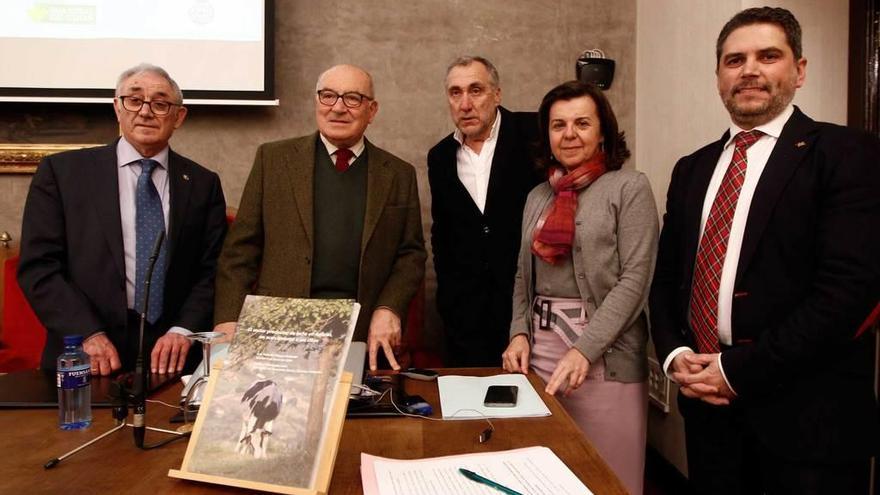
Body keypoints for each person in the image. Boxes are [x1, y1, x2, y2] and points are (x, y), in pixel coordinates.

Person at [650, 7, 880, 494]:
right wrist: (674, 355)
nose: (749, 69)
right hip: (709, 414)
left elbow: (846, 296)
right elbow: (667, 278)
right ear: (718, 77)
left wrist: (734, 371)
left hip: (807, 424)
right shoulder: (692, 169)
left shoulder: (848, 155)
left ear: (799, 70)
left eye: (768, 55)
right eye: (734, 60)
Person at [18, 63, 228, 376]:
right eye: (134, 100)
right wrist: (86, 334)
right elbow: (40, 267)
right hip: (87, 356)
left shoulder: (201, 183)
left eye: (160, 104)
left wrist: (183, 330)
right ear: (117, 108)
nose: (145, 112)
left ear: (178, 117)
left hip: (173, 360)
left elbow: (212, 271)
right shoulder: (63, 173)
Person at [214, 64, 426, 371]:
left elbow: (411, 254)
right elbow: (239, 252)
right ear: (317, 101)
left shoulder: (398, 174)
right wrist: (228, 319)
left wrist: (388, 307)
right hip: (280, 331)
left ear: (372, 109)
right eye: (328, 96)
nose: (338, 108)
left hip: (360, 335)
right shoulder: (273, 160)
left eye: (352, 98)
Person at [503, 80, 658, 494]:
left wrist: (583, 350)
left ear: (603, 130)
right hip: (540, 355)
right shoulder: (538, 196)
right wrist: (519, 333)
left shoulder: (630, 188)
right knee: (545, 475)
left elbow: (636, 280)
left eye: (581, 123)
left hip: (605, 358)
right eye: (558, 125)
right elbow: (523, 274)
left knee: (609, 479)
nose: (569, 134)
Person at [428, 56, 542, 367]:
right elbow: (443, 233)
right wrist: (449, 299)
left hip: (530, 311)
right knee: (472, 411)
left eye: (475, 90)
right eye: (455, 93)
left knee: (535, 410)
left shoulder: (535, 133)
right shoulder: (439, 157)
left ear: (497, 94)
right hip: (466, 320)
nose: (465, 104)